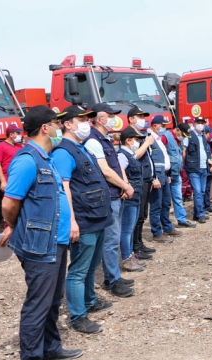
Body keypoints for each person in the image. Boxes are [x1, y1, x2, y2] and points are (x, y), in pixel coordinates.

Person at [0, 106, 83, 360]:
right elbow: (9, 203)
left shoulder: (46, 158)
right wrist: (14, 225)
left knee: (52, 301)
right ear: (45, 128)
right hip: (39, 245)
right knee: (38, 304)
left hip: (55, 243)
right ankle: (33, 356)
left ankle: (51, 349)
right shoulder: (27, 160)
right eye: (56, 124)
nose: (60, 128)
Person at [52, 105, 116, 334]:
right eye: (81, 119)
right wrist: (72, 222)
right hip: (84, 220)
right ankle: (78, 316)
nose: (86, 123)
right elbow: (64, 189)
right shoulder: (63, 152)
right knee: (78, 270)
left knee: (90, 266)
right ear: (67, 124)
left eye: (87, 120)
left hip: (97, 217)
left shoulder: (80, 148)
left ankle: (90, 300)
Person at [85, 103, 136, 296]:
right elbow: (105, 171)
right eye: (111, 115)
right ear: (100, 119)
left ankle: (113, 276)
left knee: (113, 237)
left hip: (118, 192)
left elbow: (116, 165)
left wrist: (124, 182)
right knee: (111, 240)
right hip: (109, 195)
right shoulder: (92, 140)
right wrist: (124, 185)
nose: (115, 118)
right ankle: (113, 280)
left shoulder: (105, 139)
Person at [126, 107, 156, 261]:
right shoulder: (130, 136)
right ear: (131, 119)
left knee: (142, 214)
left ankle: (139, 243)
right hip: (138, 180)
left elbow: (149, 159)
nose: (142, 119)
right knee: (136, 216)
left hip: (146, 178)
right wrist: (147, 143)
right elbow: (134, 156)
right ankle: (134, 248)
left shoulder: (141, 135)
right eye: (139, 116)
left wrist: (152, 177)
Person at [146, 115, 183, 242]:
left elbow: (163, 158)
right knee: (156, 205)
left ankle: (167, 227)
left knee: (166, 203)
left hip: (164, 175)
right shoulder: (149, 138)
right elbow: (149, 160)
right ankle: (157, 232)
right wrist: (153, 178)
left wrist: (167, 174)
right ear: (155, 125)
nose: (163, 128)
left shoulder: (159, 139)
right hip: (157, 177)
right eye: (162, 125)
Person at [116, 127, 148, 271]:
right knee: (126, 230)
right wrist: (126, 186)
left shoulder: (130, 154)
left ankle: (131, 257)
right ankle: (127, 259)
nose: (137, 142)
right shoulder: (122, 155)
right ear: (128, 140)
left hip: (135, 195)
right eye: (135, 139)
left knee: (130, 228)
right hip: (129, 197)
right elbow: (120, 172)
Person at [162, 119, 194, 228]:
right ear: (177, 130)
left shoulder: (179, 139)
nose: (184, 137)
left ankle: (181, 219)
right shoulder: (165, 137)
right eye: (183, 134)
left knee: (178, 197)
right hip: (167, 175)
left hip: (176, 173)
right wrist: (166, 174)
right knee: (165, 201)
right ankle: (165, 223)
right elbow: (161, 156)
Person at [183, 118, 212, 224]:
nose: (201, 125)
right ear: (194, 124)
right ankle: (201, 214)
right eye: (199, 123)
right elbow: (184, 152)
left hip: (204, 168)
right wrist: (185, 165)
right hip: (193, 169)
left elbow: (207, 151)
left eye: (202, 123)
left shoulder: (203, 137)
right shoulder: (189, 136)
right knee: (197, 192)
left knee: (201, 191)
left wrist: (210, 164)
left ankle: (197, 214)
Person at [0, 124, 24, 193]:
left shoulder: (20, 146)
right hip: (9, 181)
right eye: (18, 133)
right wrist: (3, 181)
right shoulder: (0, 147)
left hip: (20, 179)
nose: (20, 135)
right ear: (11, 135)